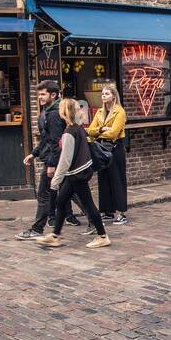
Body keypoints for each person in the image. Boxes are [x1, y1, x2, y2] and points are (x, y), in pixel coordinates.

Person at [35, 99, 110, 249]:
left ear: (64, 112)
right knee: (61, 202)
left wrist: (55, 180)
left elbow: (65, 159)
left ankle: (102, 236)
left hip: (76, 174)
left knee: (88, 204)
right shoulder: (78, 127)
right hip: (77, 172)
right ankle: (55, 236)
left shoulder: (70, 132)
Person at [17, 80, 66, 240]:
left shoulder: (53, 114)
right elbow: (46, 139)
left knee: (43, 194)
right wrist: (34, 153)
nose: (40, 97)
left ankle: (37, 229)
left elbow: (56, 143)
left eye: (43, 94)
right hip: (57, 159)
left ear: (53, 94)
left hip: (57, 160)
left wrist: (51, 164)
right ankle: (95, 225)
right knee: (75, 192)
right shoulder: (49, 110)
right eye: (38, 94)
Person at [88, 85, 129, 226]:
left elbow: (114, 133)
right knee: (103, 179)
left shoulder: (120, 112)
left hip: (115, 148)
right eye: (102, 94)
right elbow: (90, 130)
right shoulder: (99, 112)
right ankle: (107, 211)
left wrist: (99, 133)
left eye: (106, 94)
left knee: (117, 179)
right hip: (101, 148)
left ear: (113, 96)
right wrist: (101, 129)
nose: (103, 96)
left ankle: (122, 213)